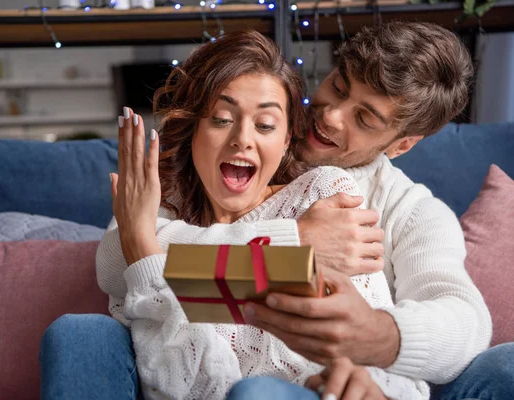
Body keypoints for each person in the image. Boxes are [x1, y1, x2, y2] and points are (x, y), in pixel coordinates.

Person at [40, 21, 506, 400]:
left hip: (322, 382)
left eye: (364, 118)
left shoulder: (398, 207)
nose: (330, 116)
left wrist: (375, 336)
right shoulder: (196, 166)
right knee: (80, 334)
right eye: (338, 86)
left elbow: (464, 323)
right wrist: (292, 245)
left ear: (402, 144)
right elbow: (118, 260)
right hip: (182, 365)